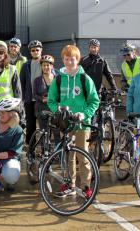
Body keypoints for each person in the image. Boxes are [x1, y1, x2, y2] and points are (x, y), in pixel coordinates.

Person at [47, 45, 100, 198]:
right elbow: (51, 100)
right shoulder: (58, 79)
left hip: (82, 124)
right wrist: (58, 109)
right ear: (63, 60)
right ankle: (70, 184)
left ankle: (86, 186)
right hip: (66, 124)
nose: (70, 62)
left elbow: (94, 101)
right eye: (66, 59)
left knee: (82, 155)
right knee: (69, 155)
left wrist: (84, 114)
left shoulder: (84, 78)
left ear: (77, 60)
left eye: (73, 59)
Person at [33, 55, 60, 143]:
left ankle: (59, 153)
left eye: (48, 65)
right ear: (41, 66)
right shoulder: (37, 80)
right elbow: (34, 94)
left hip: (54, 108)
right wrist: (42, 99)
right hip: (42, 108)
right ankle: (45, 153)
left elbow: (61, 93)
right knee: (44, 132)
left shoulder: (57, 79)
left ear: (52, 66)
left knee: (56, 132)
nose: (46, 67)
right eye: (44, 65)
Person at [20, 40, 43, 144]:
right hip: (30, 100)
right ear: (30, 52)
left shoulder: (45, 63)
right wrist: (24, 97)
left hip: (42, 100)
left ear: (41, 50)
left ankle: (44, 149)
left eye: (37, 50)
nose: (35, 52)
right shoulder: (26, 65)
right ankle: (31, 149)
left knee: (43, 125)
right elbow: (22, 82)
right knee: (30, 125)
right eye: (33, 50)